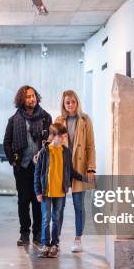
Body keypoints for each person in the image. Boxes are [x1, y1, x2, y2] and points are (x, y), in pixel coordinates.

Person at [3, 85, 52, 247]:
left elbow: (51, 142)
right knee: (23, 201)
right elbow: (7, 143)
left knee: (39, 200)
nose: (31, 99)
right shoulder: (14, 119)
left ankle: (37, 234)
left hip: (41, 168)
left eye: (33, 96)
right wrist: (14, 161)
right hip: (22, 168)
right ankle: (24, 233)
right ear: (22, 100)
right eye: (27, 96)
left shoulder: (46, 118)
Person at [34, 123, 87, 258]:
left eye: (65, 137)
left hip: (60, 192)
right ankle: (45, 244)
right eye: (61, 137)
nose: (64, 139)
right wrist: (38, 192)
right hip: (46, 192)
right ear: (52, 136)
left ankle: (55, 245)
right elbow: (37, 173)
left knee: (56, 218)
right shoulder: (44, 152)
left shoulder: (66, 152)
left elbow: (71, 171)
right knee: (46, 218)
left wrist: (85, 178)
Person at [54, 90, 96, 253]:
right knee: (59, 206)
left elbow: (90, 146)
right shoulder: (58, 120)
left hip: (79, 167)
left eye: (72, 101)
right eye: (67, 102)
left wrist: (91, 167)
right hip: (62, 168)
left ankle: (78, 239)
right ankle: (55, 240)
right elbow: (53, 143)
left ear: (77, 102)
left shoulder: (85, 120)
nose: (70, 105)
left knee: (79, 205)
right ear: (63, 104)